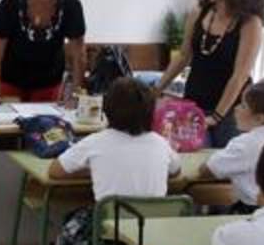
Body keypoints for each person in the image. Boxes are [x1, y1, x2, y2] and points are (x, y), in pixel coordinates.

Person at [154, 0, 264, 147]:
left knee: (224, 166)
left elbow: (239, 76)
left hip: (231, 111)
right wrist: (157, 89)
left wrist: (216, 116)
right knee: (192, 160)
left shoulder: (251, 22)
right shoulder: (199, 11)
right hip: (195, 102)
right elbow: (183, 56)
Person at [49, 77, 180, 199]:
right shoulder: (160, 143)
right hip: (153, 222)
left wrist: (92, 170)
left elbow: (55, 171)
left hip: (111, 222)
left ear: (106, 109)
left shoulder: (95, 142)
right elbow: (175, 170)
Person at [200, 80, 264, 213]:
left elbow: (207, 171)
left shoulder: (246, 143)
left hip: (253, 211)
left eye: (243, 106)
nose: (236, 108)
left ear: (260, 118)